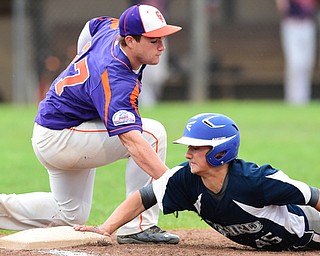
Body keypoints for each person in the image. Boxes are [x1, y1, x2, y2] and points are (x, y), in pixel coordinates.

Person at [0, 4, 182, 245]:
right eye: (153, 40)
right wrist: (174, 184)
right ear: (130, 41)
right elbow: (132, 142)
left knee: (71, 214)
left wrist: (84, 59)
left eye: (162, 38)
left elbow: (92, 25)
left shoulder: (112, 28)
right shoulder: (116, 77)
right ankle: (139, 226)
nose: (161, 46)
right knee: (152, 134)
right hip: (62, 137)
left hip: (56, 129)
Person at [75, 113, 320, 251]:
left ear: (220, 151)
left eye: (196, 147)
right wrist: (106, 228)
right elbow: (144, 197)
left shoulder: (256, 180)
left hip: (309, 229)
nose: (187, 154)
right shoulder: (186, 179)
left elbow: (314, 196)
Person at [276, 0, 319, 105]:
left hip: (308, 24)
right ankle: (293, 99)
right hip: (292, 24)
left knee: (307, 63)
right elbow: (282, 7)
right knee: (295, 62)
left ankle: (304, 98)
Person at [129, 0, 170, 107]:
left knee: (159, 76)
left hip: (160, 30)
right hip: (143, 34)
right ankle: (147, 103)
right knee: (144, 76)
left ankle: (152, 100)